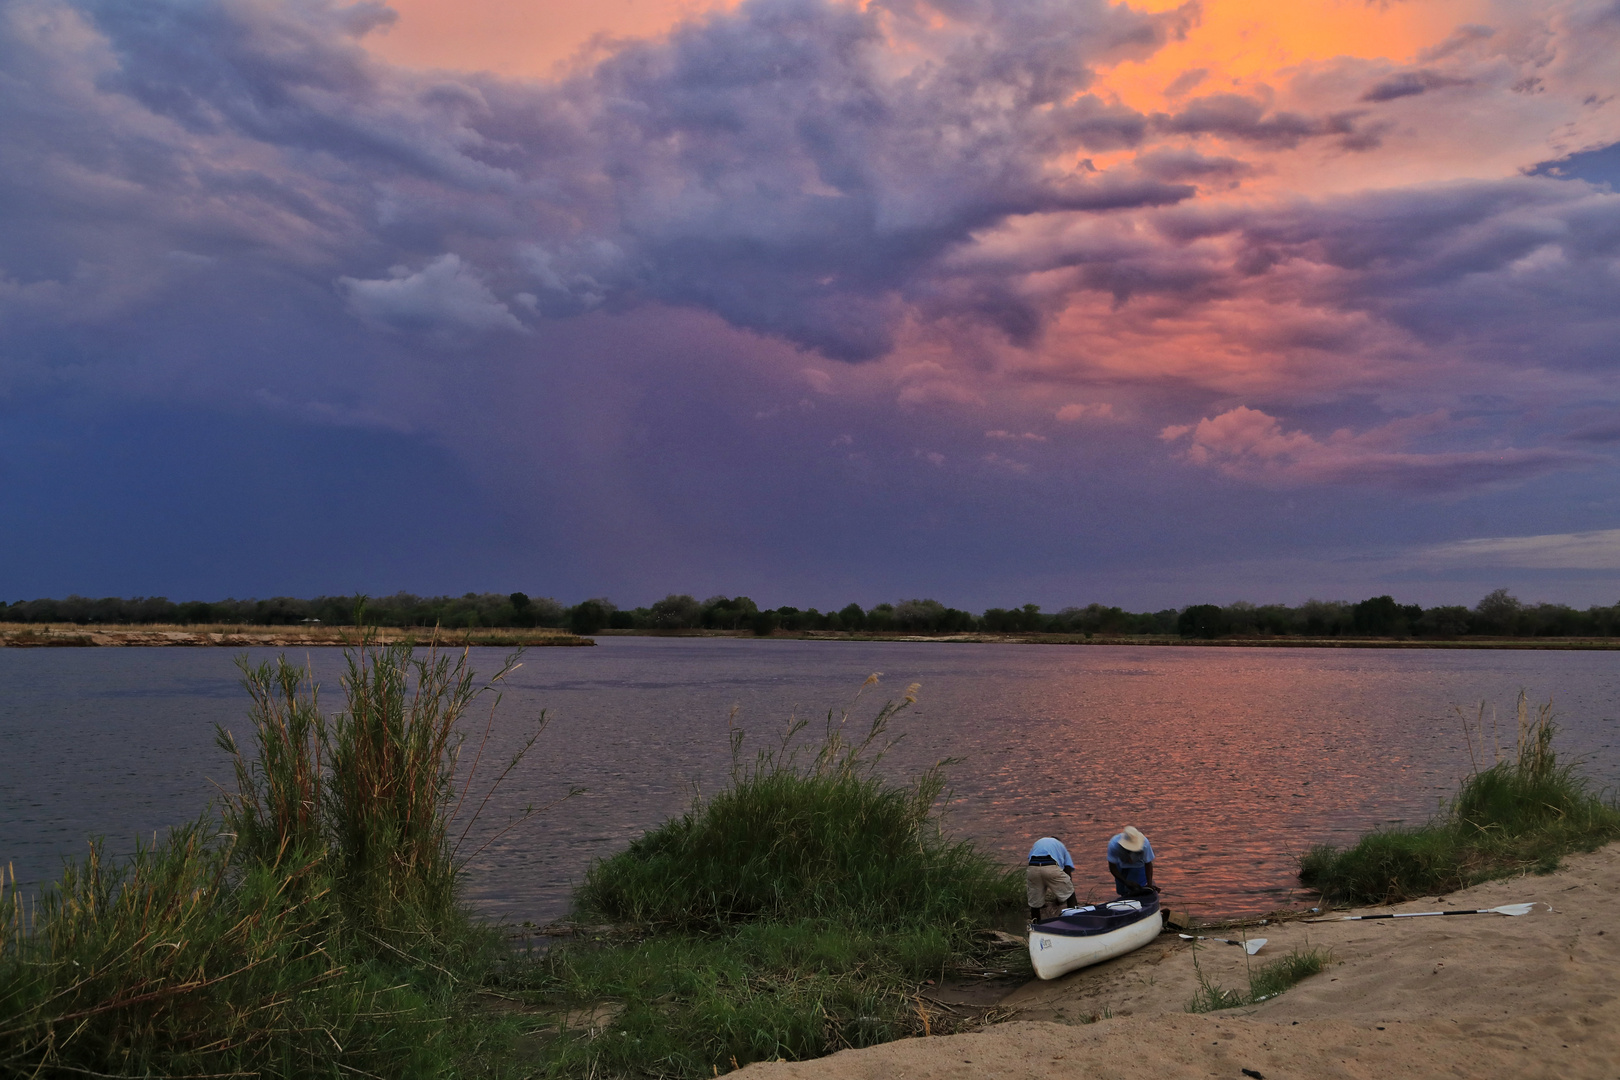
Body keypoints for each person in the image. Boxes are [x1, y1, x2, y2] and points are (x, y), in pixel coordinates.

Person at [1026, 836, 1077, 921]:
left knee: (1035, 903)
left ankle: (1035, 926)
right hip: (1050, 866)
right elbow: (1067, 872)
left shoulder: (1038, 843)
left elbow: (1030, 859)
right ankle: (1075, 919)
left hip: (1033, 868)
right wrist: (1060, 899)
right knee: (1070, 892)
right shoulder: (1061, 846)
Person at [1107, 825, 1157, 898]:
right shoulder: (1114, 845)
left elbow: (1148, 863)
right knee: (1122, 891)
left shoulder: (1145, 844)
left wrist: (1149, 884)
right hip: (1120, 865)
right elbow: (1112, 867)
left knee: (1136, 890)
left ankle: (1140, 904)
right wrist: (1125, 882)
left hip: (1138, 865)